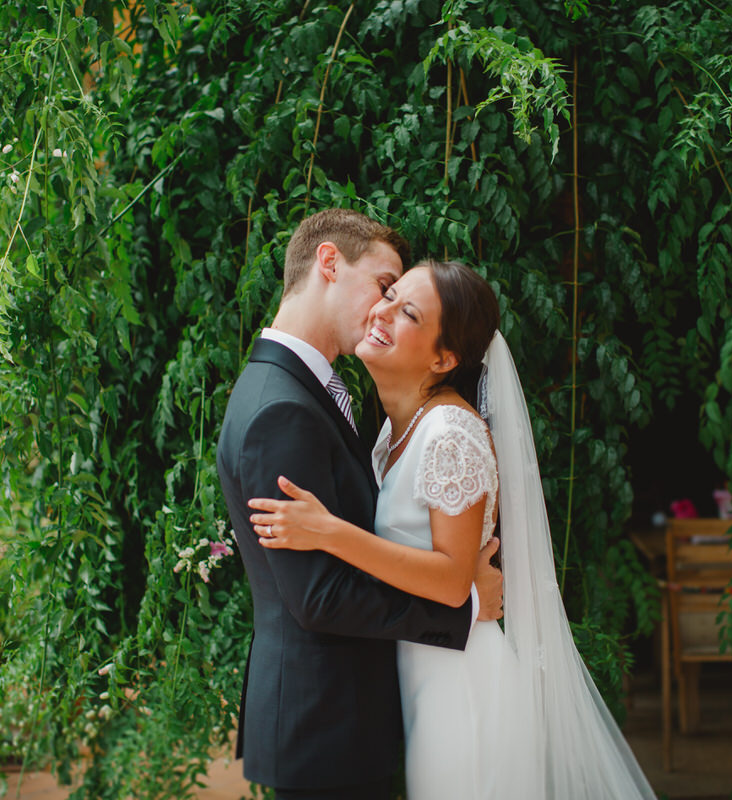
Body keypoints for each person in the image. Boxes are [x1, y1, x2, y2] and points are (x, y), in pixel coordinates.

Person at [248, 260, 658, 799]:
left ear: (444, 358)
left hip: (461, 687)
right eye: (389, 295)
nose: (383, 312)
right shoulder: (395, 433)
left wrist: (328, 532)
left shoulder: (449, 433)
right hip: (423, 675)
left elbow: (449, 580)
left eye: (408, 312)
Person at [216, 211, 504, 800]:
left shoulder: (304, 393)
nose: (381, 309)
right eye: (384, 287)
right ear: (328, 264)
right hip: (327, 725)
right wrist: (465, 603)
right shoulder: (283, 408)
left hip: (348, 721)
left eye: (401, 302)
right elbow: (319, 597)